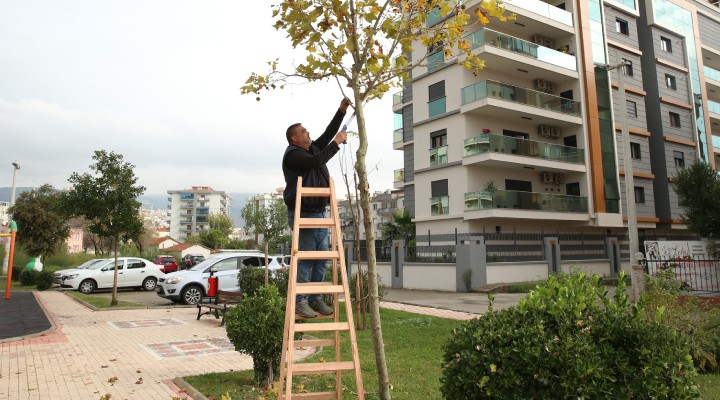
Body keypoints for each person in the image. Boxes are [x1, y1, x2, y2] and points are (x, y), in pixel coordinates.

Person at [282, 98, 351, 318]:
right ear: (295, 138)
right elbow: (317, 161)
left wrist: (341, 111)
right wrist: (337, 143)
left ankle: (315, 298)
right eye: (303, 131)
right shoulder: (293, 154)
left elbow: (328, 133)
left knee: (321, 257)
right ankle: (300, 300)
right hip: (303, 212)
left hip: (320, 212)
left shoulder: (311, 148)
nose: (308, 132)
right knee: (307, 257)